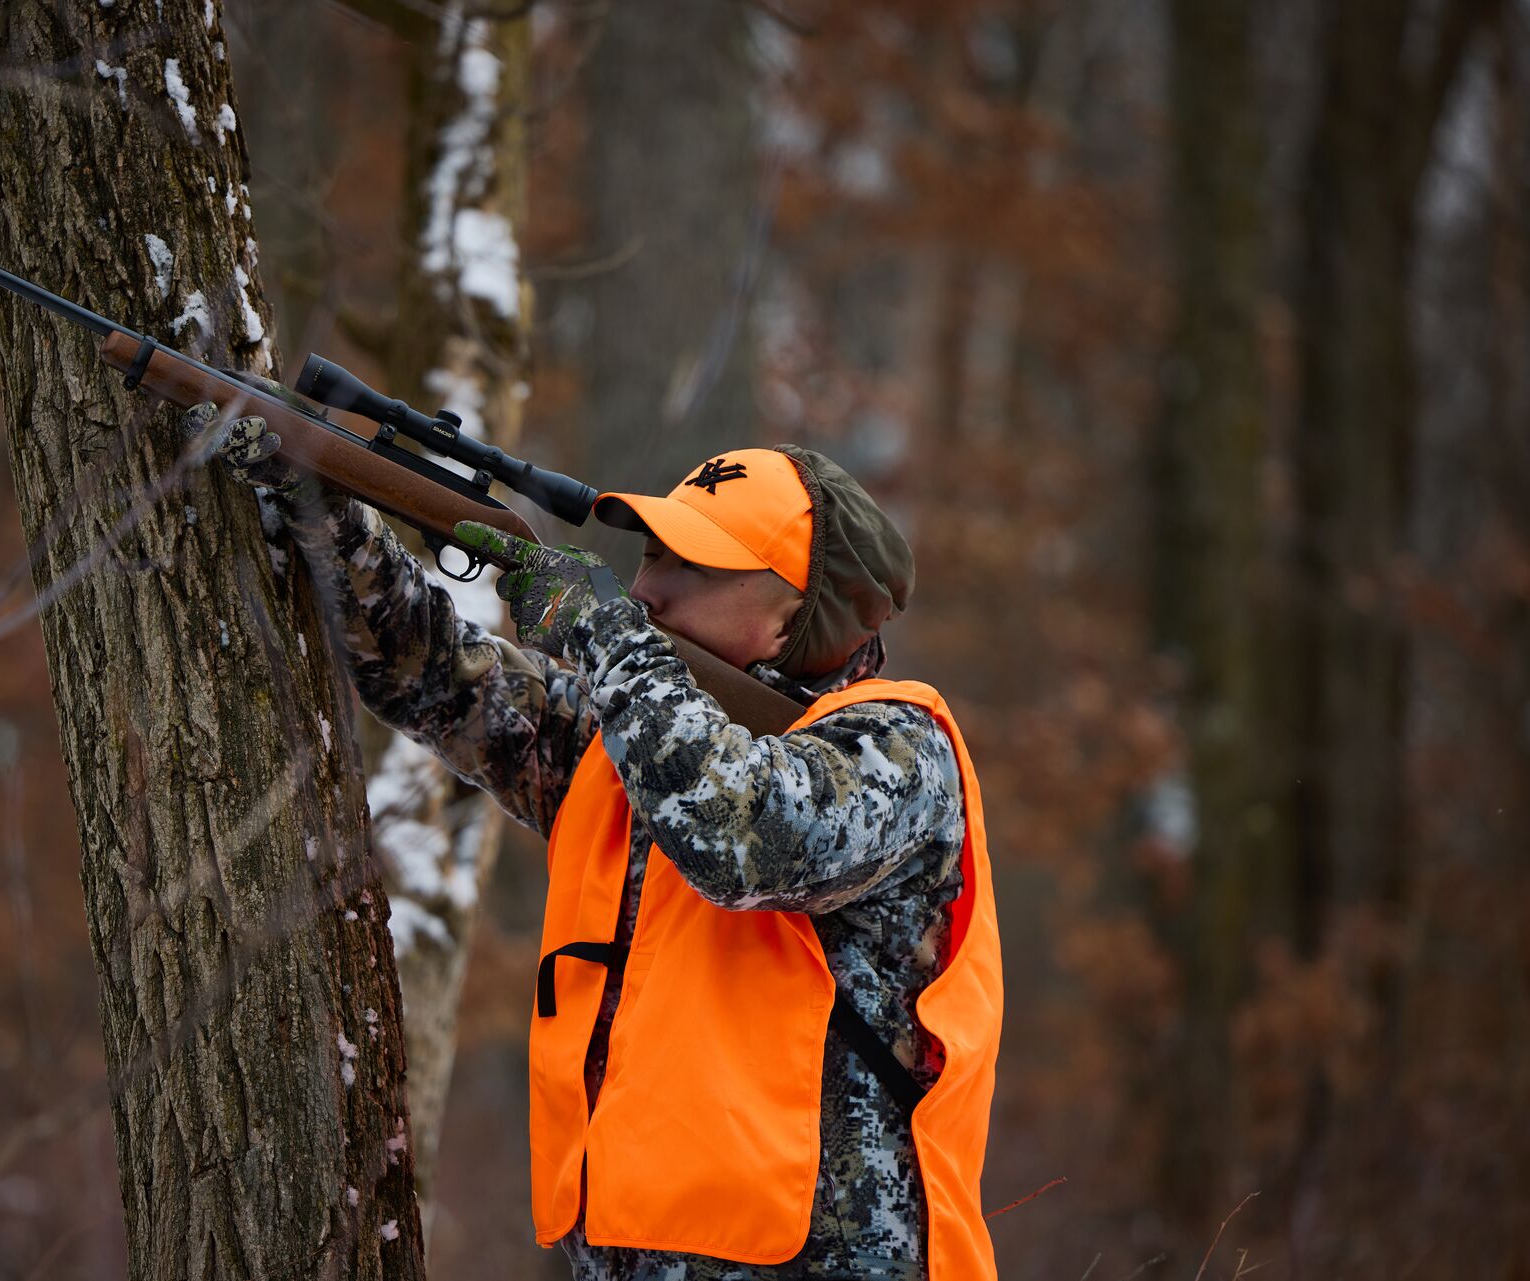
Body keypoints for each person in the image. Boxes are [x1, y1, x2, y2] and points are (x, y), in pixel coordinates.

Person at [183, 404, 1003, 1281]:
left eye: (692, 563)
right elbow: (433, 672)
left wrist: (606, 637)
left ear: (802, 608)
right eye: (650, 554)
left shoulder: (896, 749)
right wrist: (323, 506)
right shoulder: (631, 743)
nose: (647, 589)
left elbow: (744, 836)